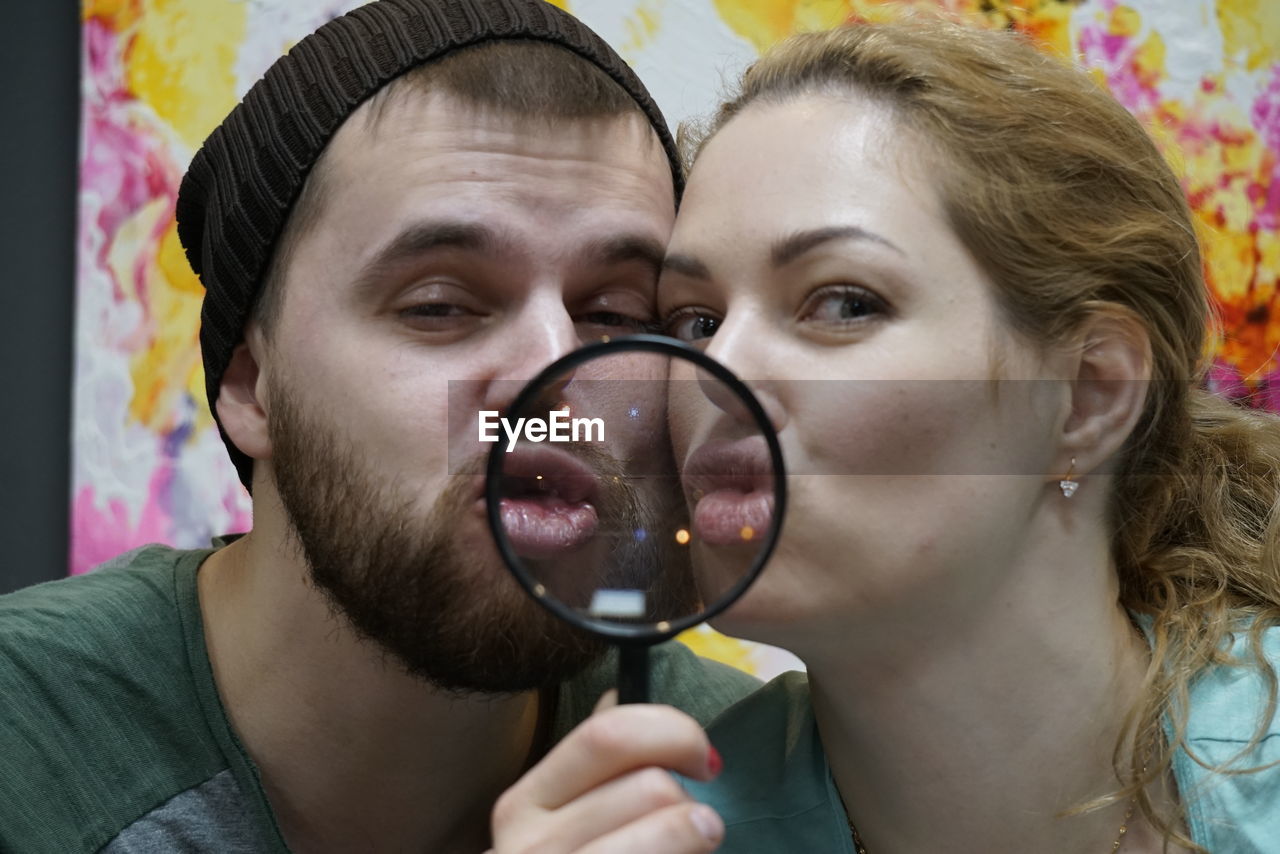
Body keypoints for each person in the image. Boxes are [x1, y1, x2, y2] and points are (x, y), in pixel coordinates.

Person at [489, 16, 1280, 854]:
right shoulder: (664, 831)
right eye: (695, 320)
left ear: (1087, 396)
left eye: (842, 302)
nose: (718, 374)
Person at [0, 1, 758, 851]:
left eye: (616, 316)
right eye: (438, 306)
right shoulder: (25, 752)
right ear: (252, 386)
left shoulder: (740, 769)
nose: (553, 377)